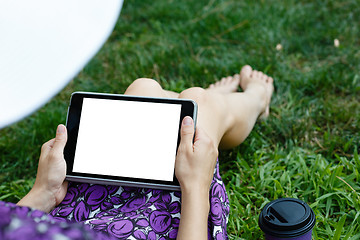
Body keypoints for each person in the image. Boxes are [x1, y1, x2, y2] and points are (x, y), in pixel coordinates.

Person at [1, 65, 274, 240]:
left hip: (79, 214)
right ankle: (255, 98)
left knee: (143, 88)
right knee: (201, 104)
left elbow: (8, 226)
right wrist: (195, 186)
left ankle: (205, 105)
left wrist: (43, 193)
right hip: (168, 224)